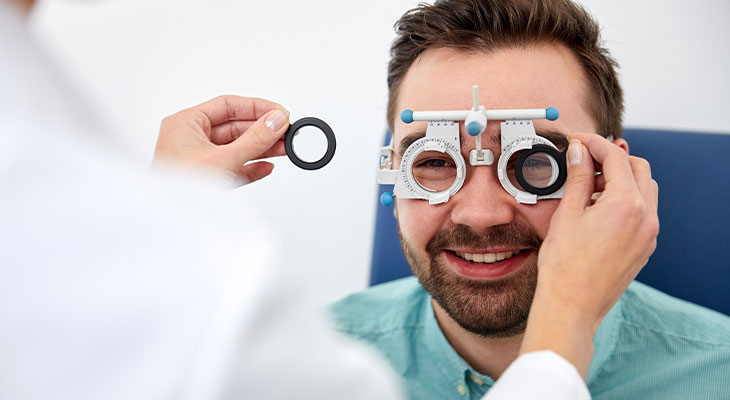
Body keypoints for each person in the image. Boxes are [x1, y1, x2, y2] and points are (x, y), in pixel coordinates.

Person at [326, 0, 730, 399]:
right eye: (434, 161)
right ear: (393, 176)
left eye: (536, 162)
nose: (481, 215)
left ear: (613, 180)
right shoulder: (313, 364)